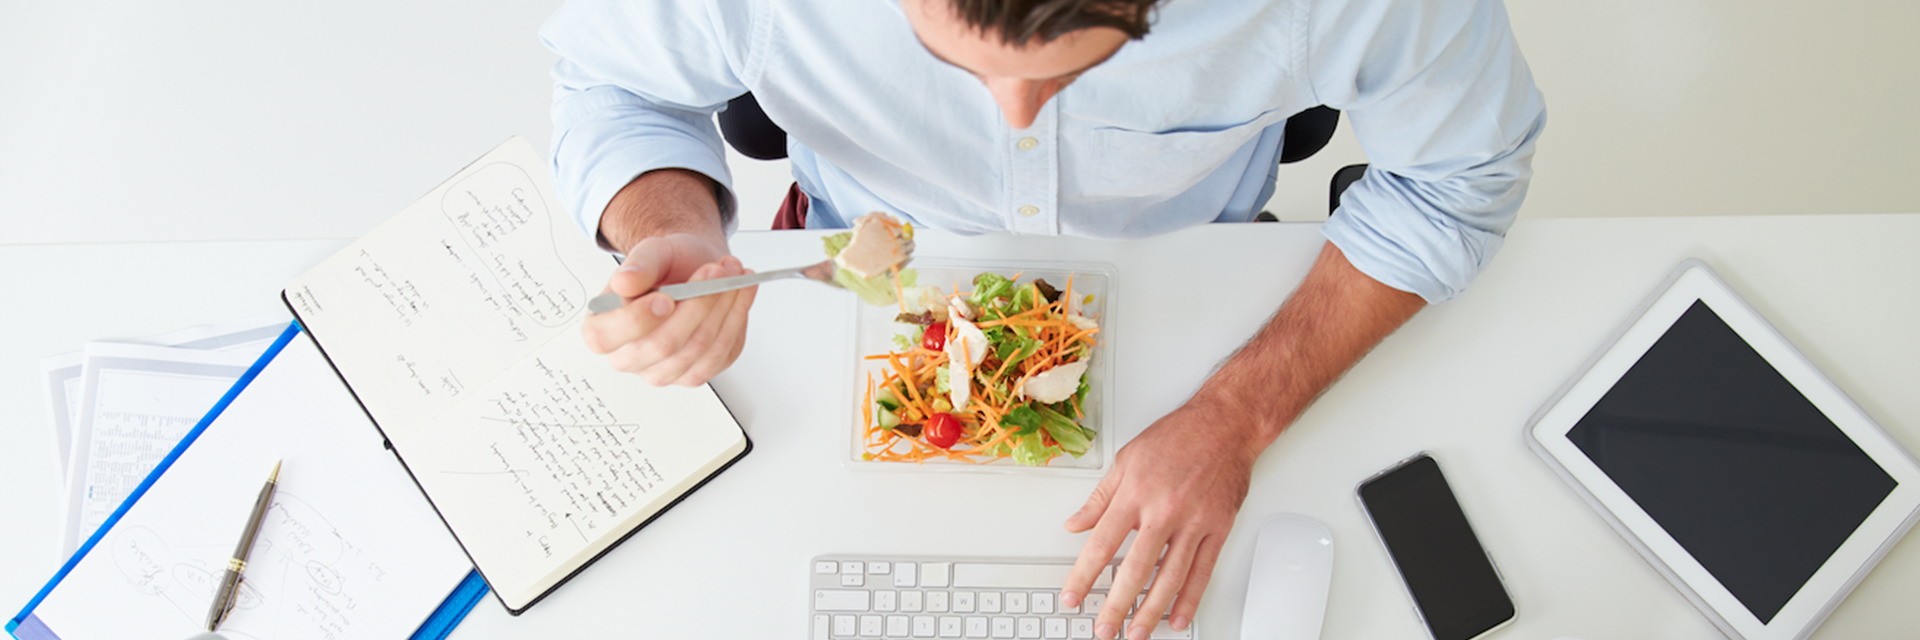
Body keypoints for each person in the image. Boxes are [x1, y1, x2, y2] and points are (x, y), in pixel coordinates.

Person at [544, 0, 1543, 637]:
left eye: (1075, 74)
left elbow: (1460, 182)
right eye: (957, 68)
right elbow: (609, 82)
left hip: (1195, 286)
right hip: (846, 280)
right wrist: (667, 219)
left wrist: (1240, 412)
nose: (1016, 120)